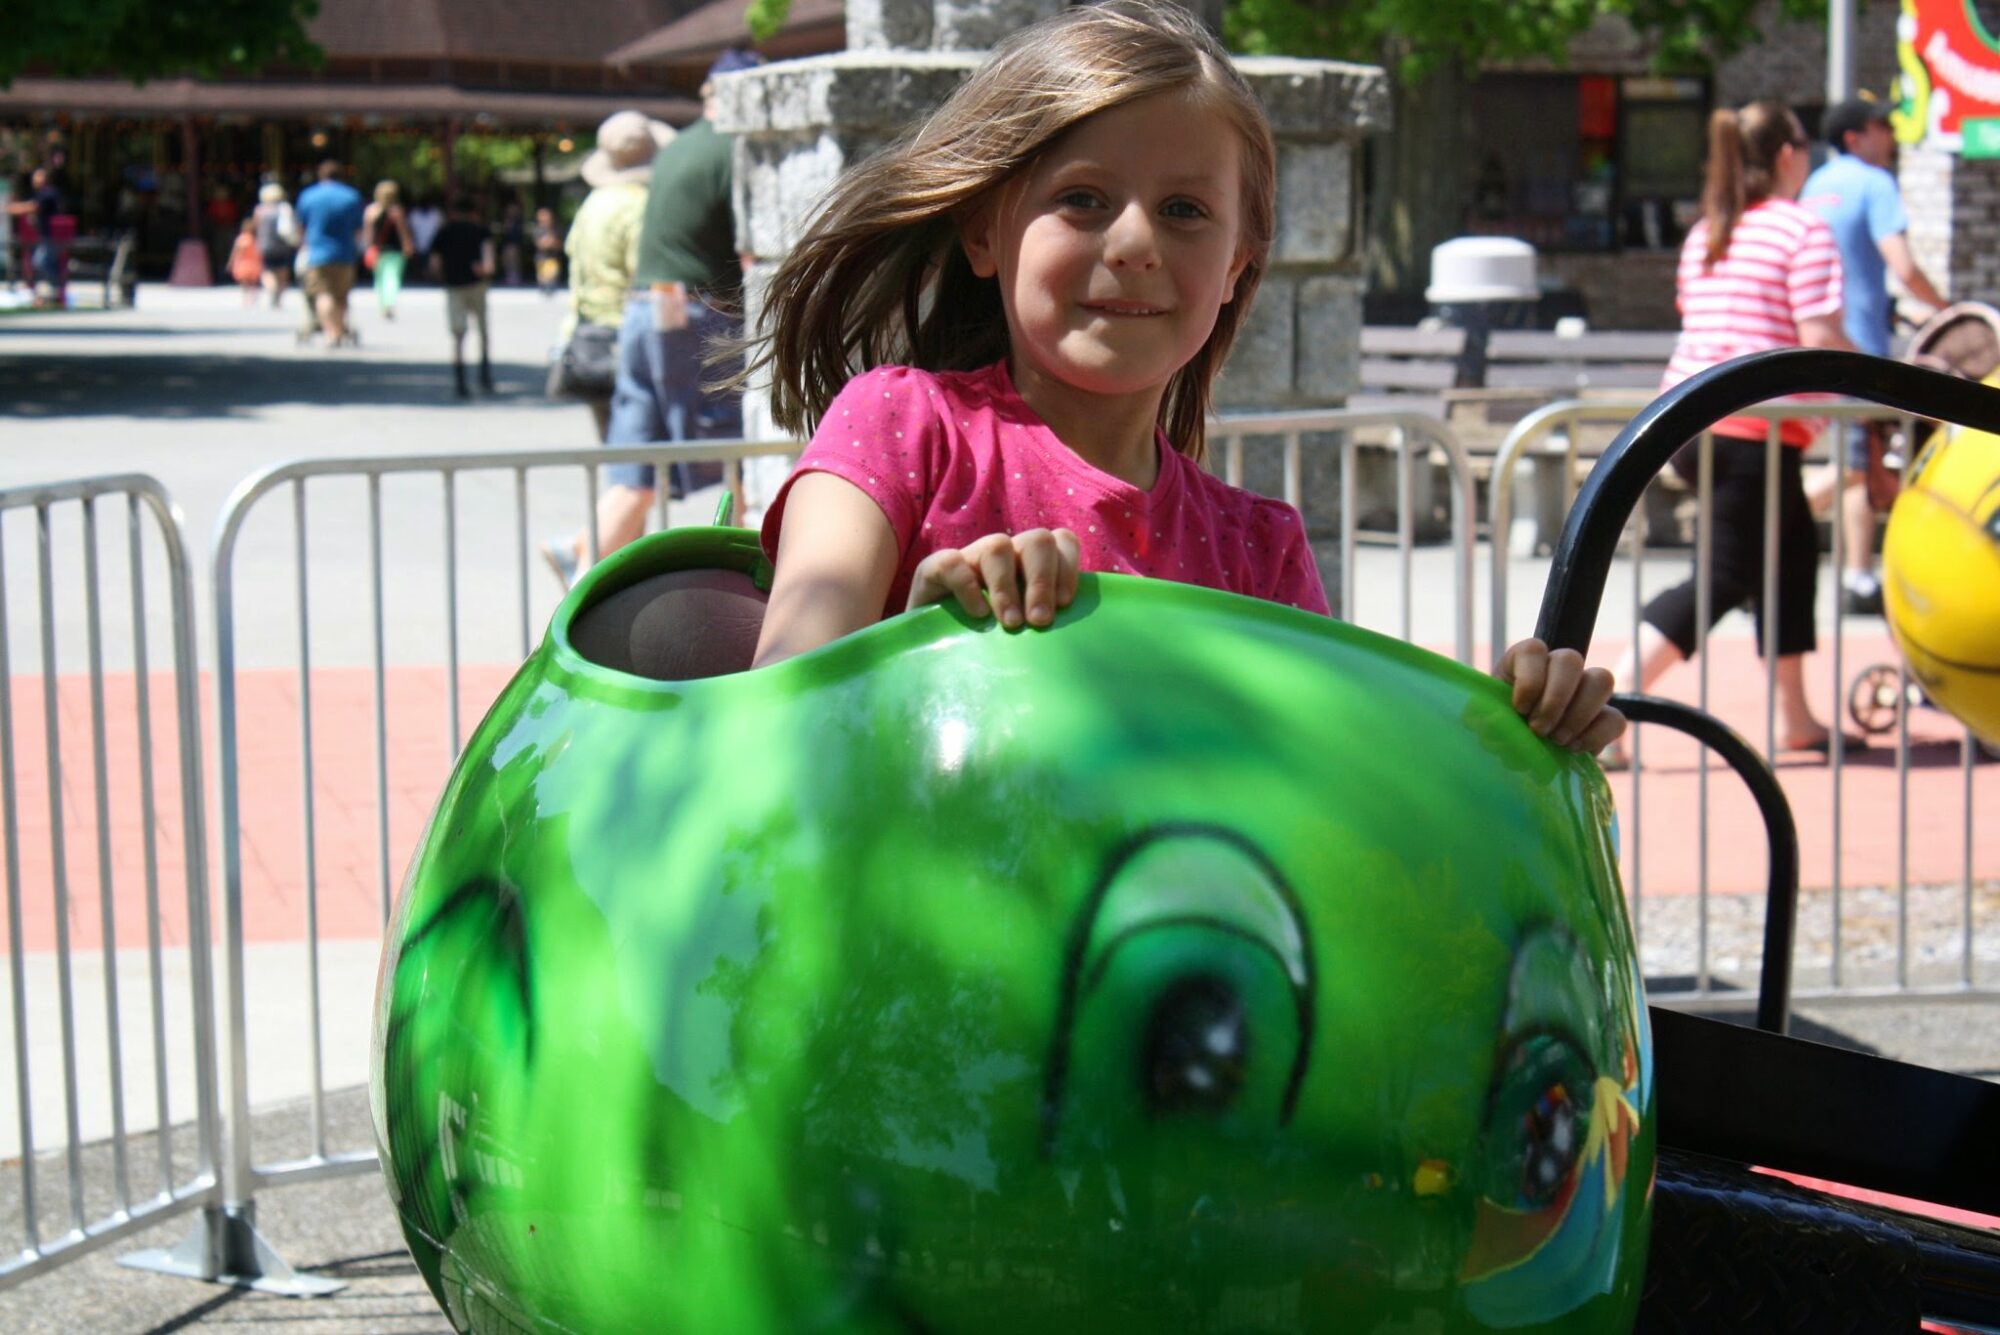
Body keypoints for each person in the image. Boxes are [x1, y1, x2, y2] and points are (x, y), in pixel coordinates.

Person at [739, 0, 1619, 755]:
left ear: (1239, 264)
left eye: (1185, 211)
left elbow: (1331, 795)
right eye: (1082, 198)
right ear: (984, 232)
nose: (1134, 243)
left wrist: (1509, 728)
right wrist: (919, 646)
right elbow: (770, 714)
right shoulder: (899, 423)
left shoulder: (1259, 550)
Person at [1603, 102, 1861, 769]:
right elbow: (1820, 338)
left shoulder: (1710, 232)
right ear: (1786, 155)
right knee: (1725, 574)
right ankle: (1610, 706)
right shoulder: (1800, 230)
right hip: (1751, 426)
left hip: (1691, 419)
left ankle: (1798, 718)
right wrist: (1886, 391)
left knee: (1792, 556)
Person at [541, 52, 758, 589]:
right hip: (692, 310)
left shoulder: (679, 148)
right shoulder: (735, 148)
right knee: (738, 447)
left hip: (643, 310)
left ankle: (585, 555)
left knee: (642, 451)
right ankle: (743, 573)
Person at [1800, 96, 1949, 616]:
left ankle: (1855, 576)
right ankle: (1766, 532)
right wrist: (1947, 309)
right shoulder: (1875, 183)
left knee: (1857, 466)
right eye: (1882, 126)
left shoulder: (1815, 187)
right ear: (1854, 137)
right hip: (1857, 350)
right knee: (1857, 466)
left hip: (1814, 342)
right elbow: (1903, 267)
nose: (1891, 135)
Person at [538, 109, 675, 582]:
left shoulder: (593, 204)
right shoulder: (639, 207)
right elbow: (650, 278)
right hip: (627, 342)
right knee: (638, 471)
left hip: (587, 340)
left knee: (627, 465)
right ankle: (586, 557)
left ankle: (605, 564)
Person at [293, 160, 366, 346]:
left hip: (317, 253)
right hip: (344, 253)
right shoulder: (351, 196)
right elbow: (359, 229)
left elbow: (300, 226)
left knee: (322, 294)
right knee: (341, 296)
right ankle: (339, 330)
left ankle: (330, 332)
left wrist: (302, 245)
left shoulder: (308, 196)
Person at [431, 194, 496, 399]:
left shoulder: (444, 232)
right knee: (483, 330)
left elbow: (435, 262)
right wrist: (483, 270)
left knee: (458, 335)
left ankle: (460, 381)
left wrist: (443, 276)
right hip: (477, 285)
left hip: (454, 287)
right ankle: (484, 374)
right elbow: (489, 264)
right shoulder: (481, 232)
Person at [6, 168, 64, 306]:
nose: (35, 179)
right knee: (41, 263)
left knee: (41, 262)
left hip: (53, 236)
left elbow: (33, 207)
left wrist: (10, 208)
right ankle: (52, 293)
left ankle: (57, 291)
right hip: (44, 236)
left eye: (38, 176)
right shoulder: (40, 194)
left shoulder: (49, 193)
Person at [363, 180, 415, 320]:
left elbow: (368, 233)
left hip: (378, 249)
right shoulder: (397, 211)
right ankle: (389, 303)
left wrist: (368, 248)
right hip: (395, 249)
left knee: (380, 279)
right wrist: (407, 245)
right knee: (392, 277)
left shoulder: (371, 210)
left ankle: (384, 304)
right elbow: (402, 230)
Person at [252, 181, 299, 309]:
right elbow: (293, 225)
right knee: (282, 270)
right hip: (283, 244)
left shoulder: (260, 210)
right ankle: (279, 296)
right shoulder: (284, 208)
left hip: (265, 245)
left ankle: (271, 290)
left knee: (268, 270)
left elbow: (255, 228)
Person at [407, 195, 444, 284]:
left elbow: (441, 228)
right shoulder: (414, 214)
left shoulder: (437, 214)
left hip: (433, 244)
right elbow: (410, 230)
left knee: (431, 264)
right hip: (418, 245)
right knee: (420, 264)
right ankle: (420, 278)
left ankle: (430, 277)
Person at [227, 217, 263, 304]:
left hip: (243, 264)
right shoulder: (256, 239)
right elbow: (259, 252)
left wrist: (230, 263)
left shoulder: (241, 239)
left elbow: (236, 252)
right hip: (254, 264)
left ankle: (246, 297)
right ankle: (253, 296)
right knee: (253, 283)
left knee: (244, 283)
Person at [533, 206, 564, 294]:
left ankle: (551, 287)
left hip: (552, 258)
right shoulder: (537, 229)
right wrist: (548, 243)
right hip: (541, 258)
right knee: (542, 277)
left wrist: (551, 243)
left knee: (551, 276)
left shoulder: (556, 229)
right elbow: (539, 244)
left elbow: (559, 244)